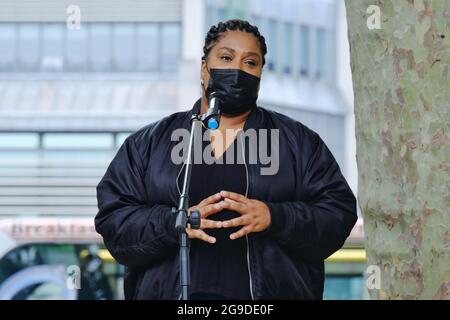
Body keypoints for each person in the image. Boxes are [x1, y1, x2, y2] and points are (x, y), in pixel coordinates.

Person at [95, 19, 357, 300]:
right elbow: (114, 221)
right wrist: (172, 223)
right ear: (204, 67)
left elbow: (337, 214)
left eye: (250, 63)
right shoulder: (149, 143)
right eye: (226, 58)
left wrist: (276, 217)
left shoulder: (298, 143)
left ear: (260, 74)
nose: (237, 70)